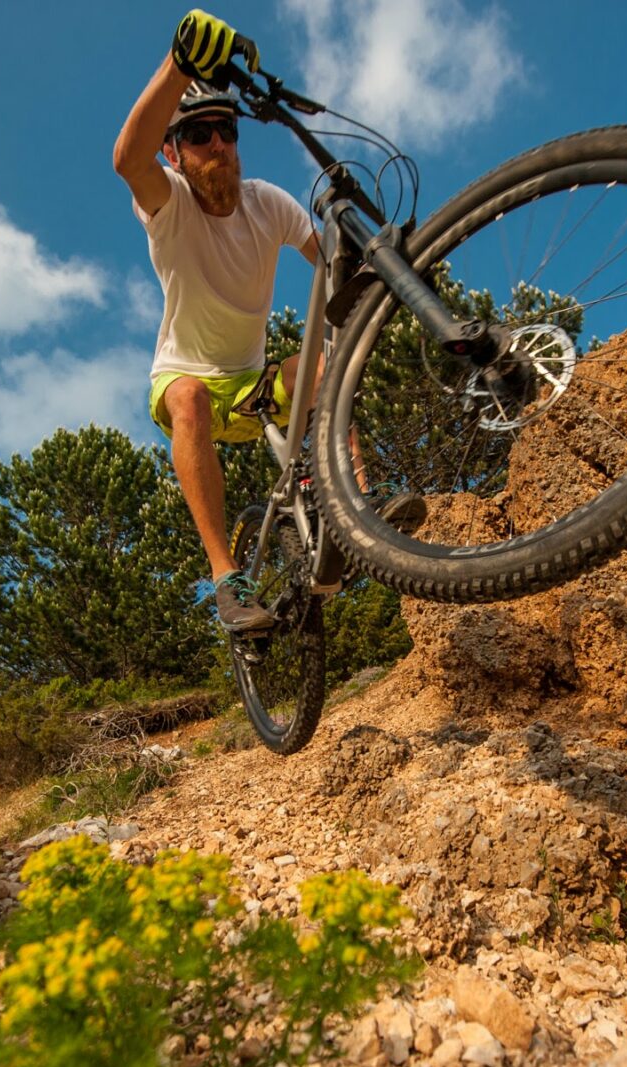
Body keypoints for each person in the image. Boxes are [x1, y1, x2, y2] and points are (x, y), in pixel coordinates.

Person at [113, 9, 418, 633]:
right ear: (176, 151)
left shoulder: (267, 204)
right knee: (193, 396)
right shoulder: (168, 206)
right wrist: (180, 63)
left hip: (254, 385)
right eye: (200, 136)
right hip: (185, 379)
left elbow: (330, 263)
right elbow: (126, 160)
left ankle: (358, 500)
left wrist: (380, 269)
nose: (219, 145)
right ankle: (228, 578)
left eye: (226, 131)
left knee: (329, 363)